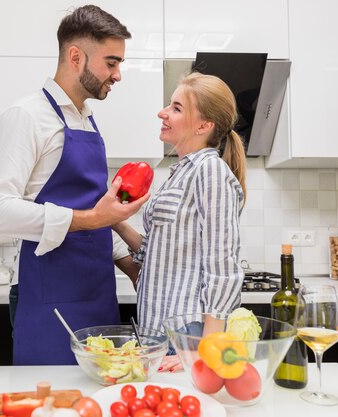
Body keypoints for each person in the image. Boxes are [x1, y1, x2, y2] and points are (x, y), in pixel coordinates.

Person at [0, 5, 148, 365]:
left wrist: (131, 267)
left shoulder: (88, 121)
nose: (118, 75)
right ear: (75, 56)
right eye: (111, 62)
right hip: (52, 304)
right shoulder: (26, 118)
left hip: (100, 298)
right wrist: (89, 218)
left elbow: (97, 213)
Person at [114, 72, 247, 371]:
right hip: (158, 329)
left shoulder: (210, 171)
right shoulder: (181, 173)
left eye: (176, 108)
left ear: (204, 125)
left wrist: (205, 351)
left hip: (187, 336)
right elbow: (158, 253)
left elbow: (223, 268)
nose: (162, 112)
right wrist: (116, 221)